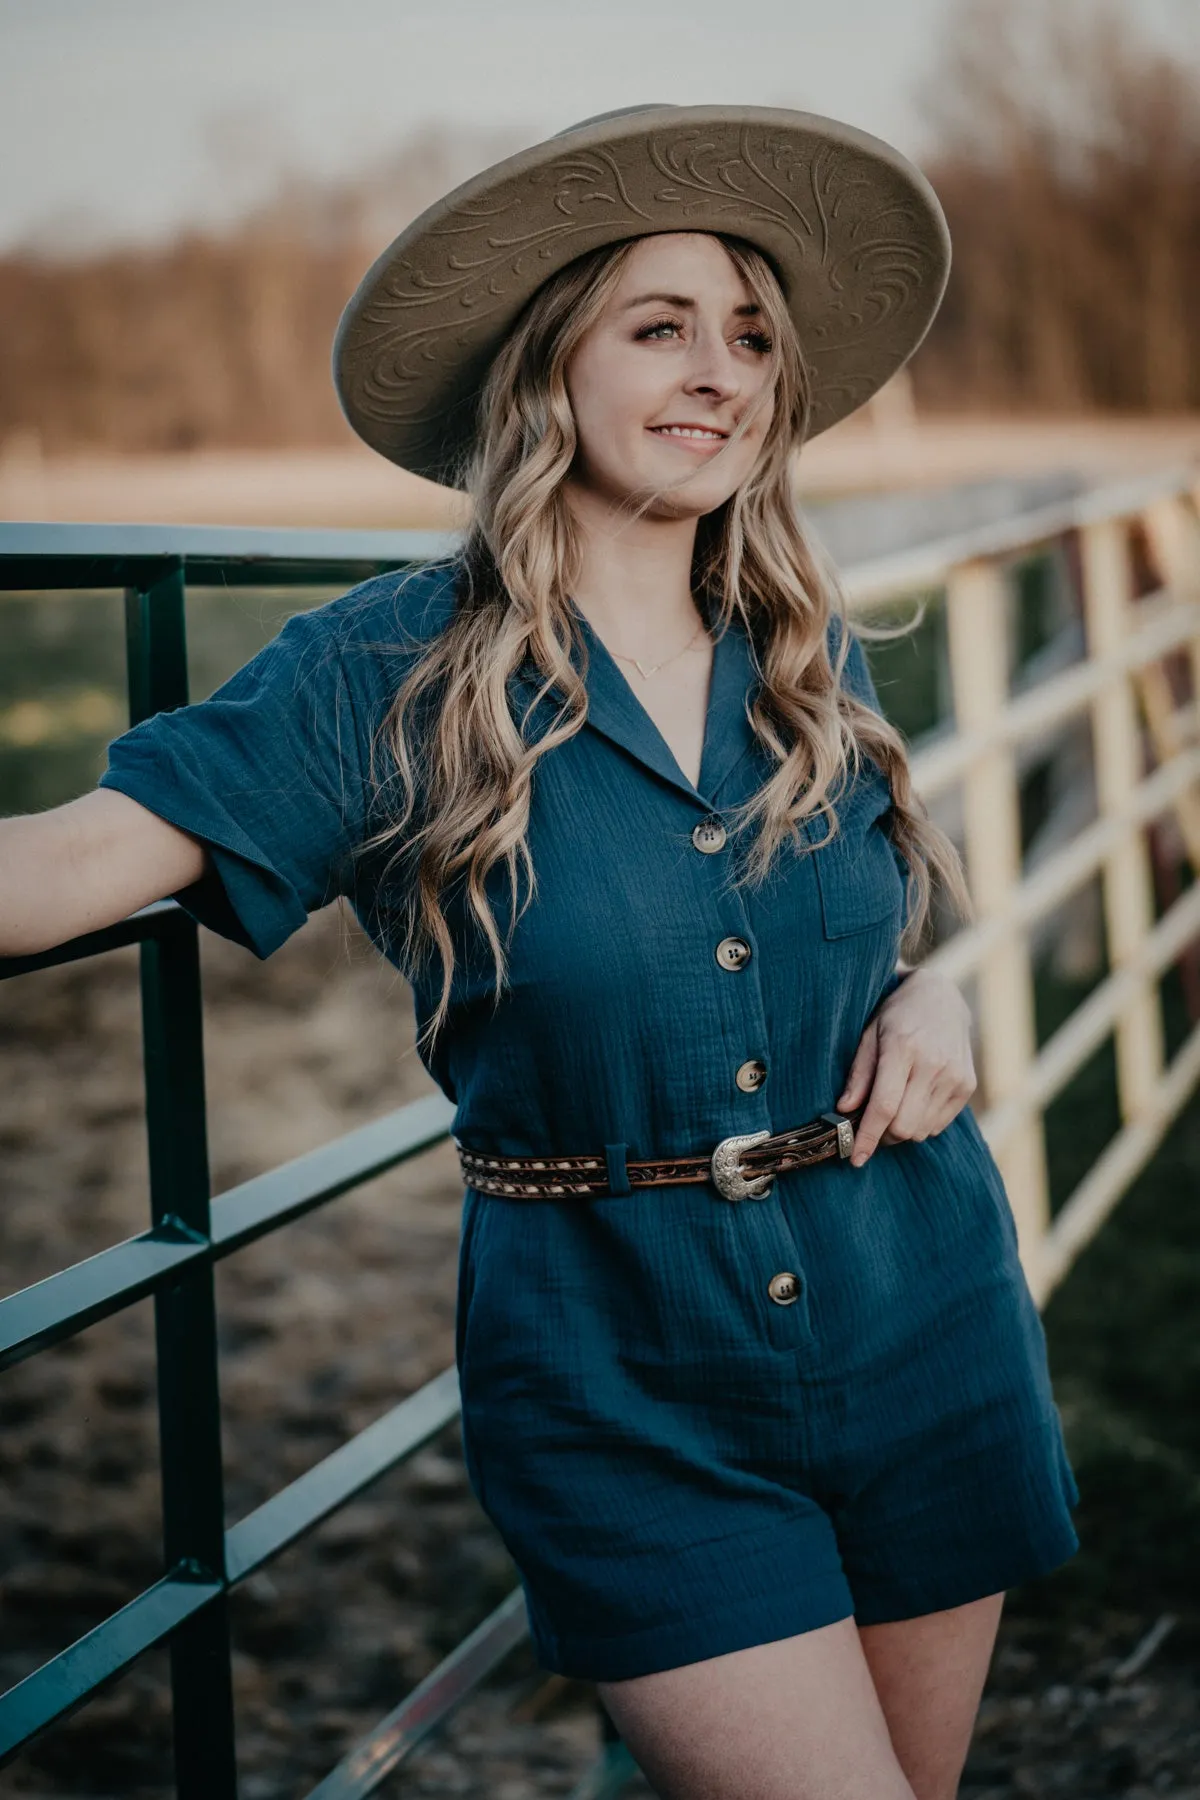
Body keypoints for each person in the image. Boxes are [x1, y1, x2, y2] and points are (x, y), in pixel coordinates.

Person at [0, 106, 1079, 1800]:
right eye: (660, 328)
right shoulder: (382, 676)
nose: (720, 372)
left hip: (924, 1312)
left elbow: (873, 915)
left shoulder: (801, 642)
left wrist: (930, 992)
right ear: (546, 368)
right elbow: (57, 868)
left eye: (750, 337)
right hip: (620, 1380)